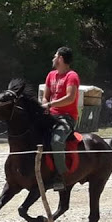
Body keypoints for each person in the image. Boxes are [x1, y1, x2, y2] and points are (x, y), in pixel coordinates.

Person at [41, 46, 80, 192]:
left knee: (57, 141)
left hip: (67, 117)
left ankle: (60, 175)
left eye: (55, 55)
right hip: (50, 114)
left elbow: (70, 98)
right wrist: (44, 103)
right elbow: (45, 95)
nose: (53, 58)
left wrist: (50, 104)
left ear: (61, 59)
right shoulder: (51, 75)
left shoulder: (72, 76)